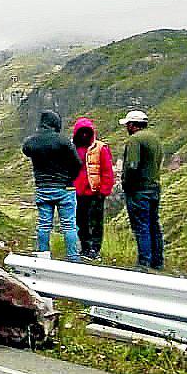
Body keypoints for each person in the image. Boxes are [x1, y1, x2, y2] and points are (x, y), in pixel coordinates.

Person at [21, 110, 82, 261]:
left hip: (43, 188)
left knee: (44, 224)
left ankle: (43, 256)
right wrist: (69, 178)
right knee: (69, 225)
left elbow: (26, 150)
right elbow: (77, 164)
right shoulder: (63, 141)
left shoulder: (31, 142)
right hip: (65, 188)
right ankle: (73, 258)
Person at [120, 110, 164, 270]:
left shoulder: (134, 140)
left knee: (141, 225)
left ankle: (143, 262)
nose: (126, 127)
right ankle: (157, 261)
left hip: (138, 190)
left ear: (132, 125)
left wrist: (126, 184)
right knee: (154, 224)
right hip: (154, 188)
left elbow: (132, 165)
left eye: (127, 124)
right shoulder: (155, 138)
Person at [71, 117, 114, 260]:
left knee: (96, 222)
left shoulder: (100, 148)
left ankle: (95, 249)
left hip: (95, 192)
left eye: (86, 132)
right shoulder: (72, 148)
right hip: (77, 192)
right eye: (81, 132)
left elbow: (107, 170)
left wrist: (104, 191)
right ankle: (85, 247)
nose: (84, 135)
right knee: (80, 221)